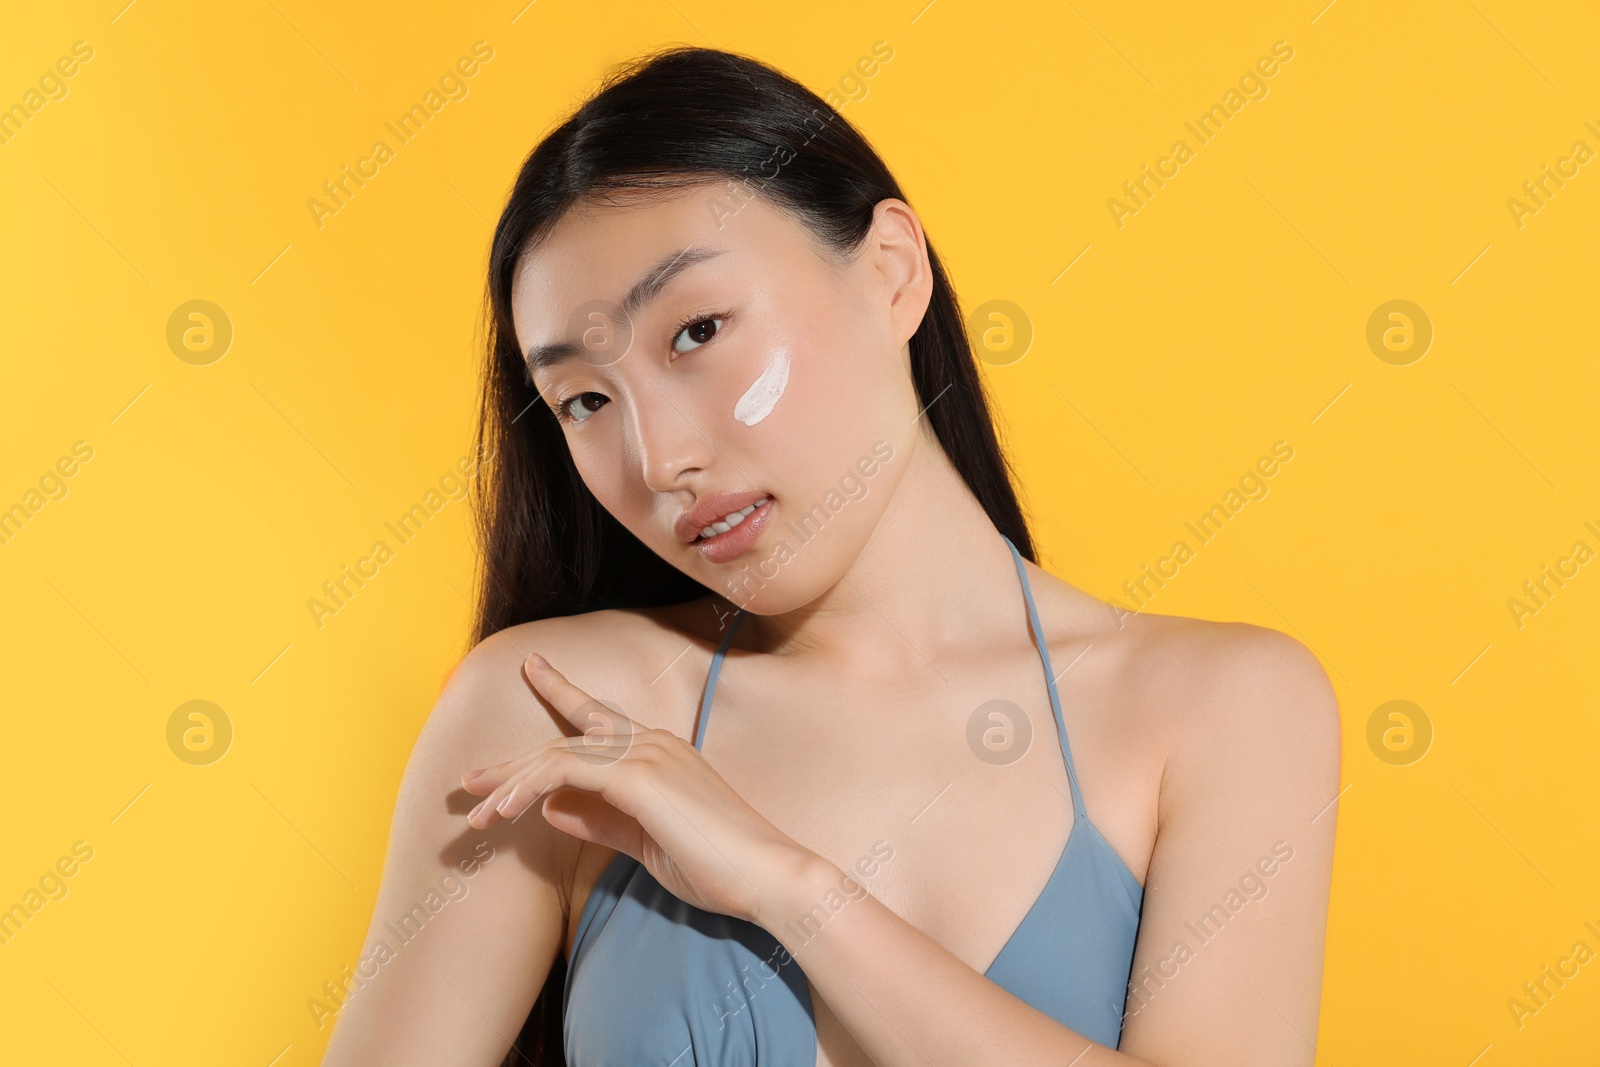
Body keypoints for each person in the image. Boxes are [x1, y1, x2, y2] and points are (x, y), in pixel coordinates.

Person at [320, 44, 1339, 1067]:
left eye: (698, 330)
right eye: (585, 399)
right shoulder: (557, 711)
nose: (660, 456)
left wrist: (786, 884)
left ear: (892, 271)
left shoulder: (1220, 706)